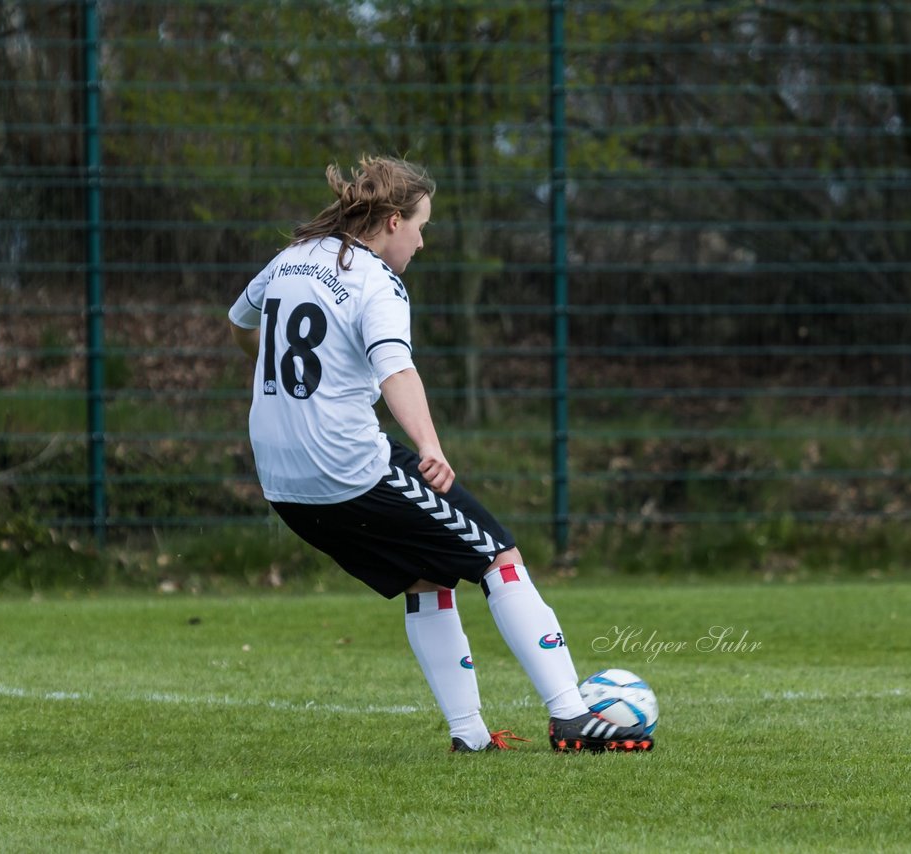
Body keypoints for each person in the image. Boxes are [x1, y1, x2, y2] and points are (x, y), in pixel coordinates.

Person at [228, 156, 652, 754]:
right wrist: (429, 444)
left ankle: (471, 736)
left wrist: (274, 370)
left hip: (283, 485)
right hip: (349, 470)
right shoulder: (376, 280)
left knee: (426, 577)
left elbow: (240, 321)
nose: (423, 242)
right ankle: (571, 715)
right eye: (422, 225)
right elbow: (396, 369)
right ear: (393, 221)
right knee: (499, 558)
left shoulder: (291, 257)